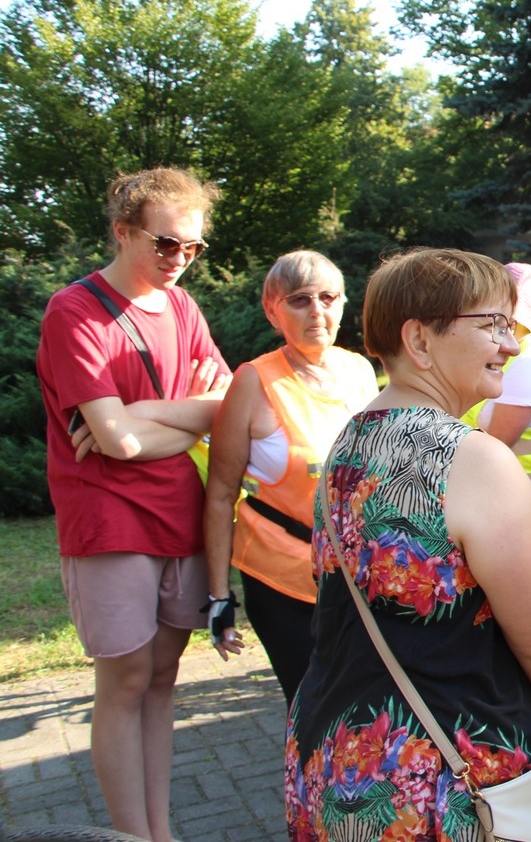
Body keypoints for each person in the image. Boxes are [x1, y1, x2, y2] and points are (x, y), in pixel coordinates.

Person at [284, 248, 531, 839]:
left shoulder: (347, 445)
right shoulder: (474, 461)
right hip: (446, 789)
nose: (512, 345)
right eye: (493, 325)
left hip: (330, 768)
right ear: (419, 340)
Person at [35, 166, 231, 842]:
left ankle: (160, 832)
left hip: (181, 511)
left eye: (193, 246)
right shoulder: (74, 311)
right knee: (124, 681)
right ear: (123, 232)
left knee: (163, 678)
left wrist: (143, 413)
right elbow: (114, 443)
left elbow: (223, 406)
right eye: (166, 243)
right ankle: (132, 836)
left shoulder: (183, 308)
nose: (181, 258)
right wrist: (181, 417)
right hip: (108, 519)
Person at [201, 250, 378, 704]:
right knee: (313, 708)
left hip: (356, 575)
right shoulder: (253, 381)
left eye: (328, 297)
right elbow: (220, 493)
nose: (317, 311)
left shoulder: (358, 371)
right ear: (272, 310)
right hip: (281, 578)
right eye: (300, 300)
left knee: (366, 707)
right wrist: (219, 597)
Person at [462, 261, 531, 518]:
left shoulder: (528, 363)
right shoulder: (505, 356)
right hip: (502, 505)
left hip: (525, 511)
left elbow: (492, 448)